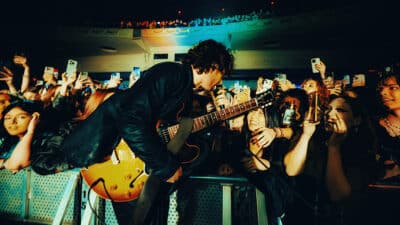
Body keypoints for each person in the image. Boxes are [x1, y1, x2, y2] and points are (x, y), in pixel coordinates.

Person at [10, 39, 233, 225]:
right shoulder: (172, 74)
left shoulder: (180, 83)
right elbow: (131, 120)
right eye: (221, 74)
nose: (220, 82)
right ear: (213, 66)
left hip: (140, 167)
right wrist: (166, 165)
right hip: (128, 166)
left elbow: (151, 125)